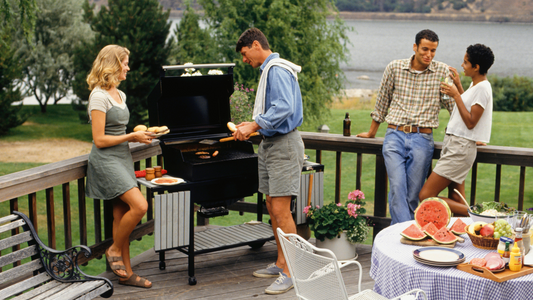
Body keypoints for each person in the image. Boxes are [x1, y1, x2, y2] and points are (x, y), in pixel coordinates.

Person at [356, 29, 454, 225]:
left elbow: (453, 106)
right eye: (425, 49)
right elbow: (382, 101)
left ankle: (402, 236)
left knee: (412, 193)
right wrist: (372, 132)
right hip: (395, 135)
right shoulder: (394, 68)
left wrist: (467, 133)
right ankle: (407, 234)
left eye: (433, 51)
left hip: (422, 139)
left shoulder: (442, 71)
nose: (429, 55)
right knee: (398, 186)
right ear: (415, 47)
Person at [233, 28, 304, 295]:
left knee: (282, 211)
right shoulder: (269, 70)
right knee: (272, 205)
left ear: (255, 45)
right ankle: (280, 262)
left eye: (244, 54)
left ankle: (291, 271)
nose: (244, 60)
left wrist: (254, 123)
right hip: (270, 143)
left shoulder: (277, 69)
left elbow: (284, 107)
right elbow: (272, 110)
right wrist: (253, 126)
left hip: (284, 145)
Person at [85, 45, 153, 288]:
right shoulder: (98, 96)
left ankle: (126, 274)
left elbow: (121, 129)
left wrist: (141, 134)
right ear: (112, 65)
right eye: (124, 63)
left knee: (120, 215)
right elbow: (100, 139)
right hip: (105, 160)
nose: (128, 67)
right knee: (140, 205)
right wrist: (130, 138)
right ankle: (113, 249)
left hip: (122, 158)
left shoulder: (119, 94)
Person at [419, 44, 495, 216]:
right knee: (456, 198)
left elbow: (471, 122)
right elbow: (467, 108)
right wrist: (459, 86)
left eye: (466, 62)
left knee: (426, 196)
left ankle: (481, 215)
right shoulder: (476, 86)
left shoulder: (483, 88)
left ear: (476, 67)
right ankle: (464, 236)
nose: (462, 65)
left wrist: (455, 95)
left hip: (460, 149)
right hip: (455, 145)